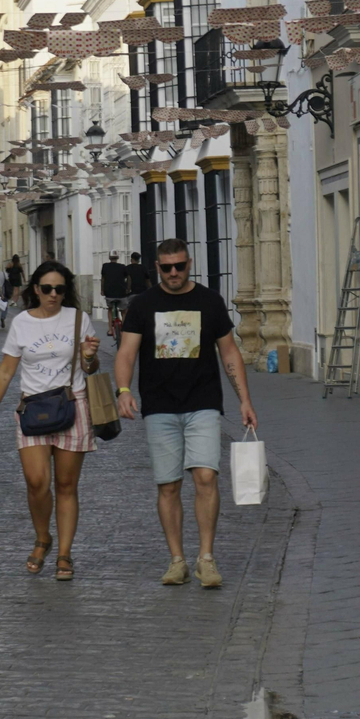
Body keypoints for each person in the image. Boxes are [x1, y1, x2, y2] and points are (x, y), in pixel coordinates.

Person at [116, 238, 257, 589]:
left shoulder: (209, 301)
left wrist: (245, 400)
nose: (174, 273)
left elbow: (229, 352)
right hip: (160, 405)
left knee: (206, 478)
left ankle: (206, 559)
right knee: (168, 485)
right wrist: (122, 390)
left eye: (180, 266)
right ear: (157, 268)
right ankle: (177, 559)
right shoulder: (143, 305)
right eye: (167, 268)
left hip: (203, 402)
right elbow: (126, 352)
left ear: (189, 263)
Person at [0, 261, 102, 582]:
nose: (53, 295)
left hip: (72, 407)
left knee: (65, 485)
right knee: (36, 482)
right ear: (35, 289)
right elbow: (7, 370)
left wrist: (89, 355)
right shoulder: (21, 323)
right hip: (32, 410)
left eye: (59, 289)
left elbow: (90, 368)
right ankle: (42, 537)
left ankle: (64, 552)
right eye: (47, 288)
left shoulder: (78, 319)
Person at [100, 252, 130, 327]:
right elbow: (129, 277)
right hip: (121, 293)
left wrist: (102, 290)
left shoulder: (105, 266)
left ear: (109, 258)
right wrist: (128, 288)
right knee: (124, 311)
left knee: (110, 309)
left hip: (109, 293)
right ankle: (125, 329)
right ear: (117, 258)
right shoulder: (122, 267)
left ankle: (110, 329)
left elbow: (103, 279)